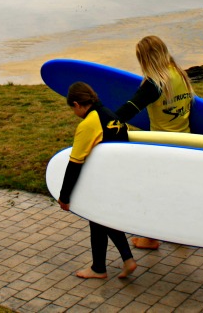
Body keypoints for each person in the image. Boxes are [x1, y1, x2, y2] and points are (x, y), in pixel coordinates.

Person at [115, 35, 194, 249]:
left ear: (146, 59)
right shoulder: (180, 74)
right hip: (185, 142)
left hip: (162, 145)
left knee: (154, 191)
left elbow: (131, 108)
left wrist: (105, 121)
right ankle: (181, 235)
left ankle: (150, 238)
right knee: (176, 191)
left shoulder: (155, 84)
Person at [58, 82, 137, 280]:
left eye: (72, 108)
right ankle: (101, 267)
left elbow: (75, 163)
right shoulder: (111, 115)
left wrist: (64, 196)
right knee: (98, 220)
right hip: (121, 175)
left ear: (76, 104)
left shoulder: (88, 124)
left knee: (100, 218)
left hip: (104, 180)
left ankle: (116, 262)